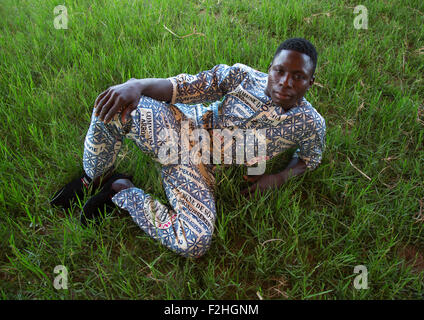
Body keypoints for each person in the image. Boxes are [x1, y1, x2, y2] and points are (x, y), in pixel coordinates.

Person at [50, 38, 326, 258]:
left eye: (298, 76)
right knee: (115, 104)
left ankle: (120, 190)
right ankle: (94, 176)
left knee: (194, 242)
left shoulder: (310, 123)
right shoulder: (241, 77)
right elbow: (185, 87)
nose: (285, 82)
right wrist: (137, 85)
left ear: (310, 83)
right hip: (180, 126)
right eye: (279, 71)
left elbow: (309, 159)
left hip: (198, 168)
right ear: (270, 68)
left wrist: (276, 177)